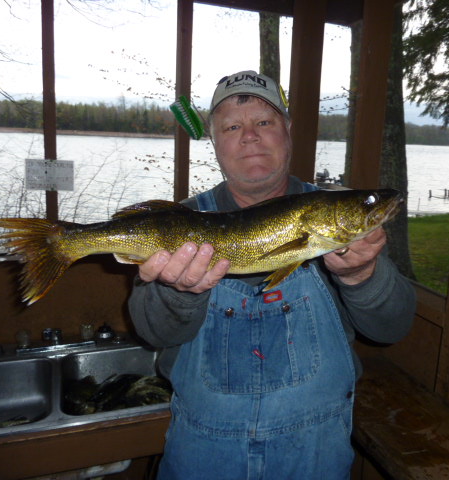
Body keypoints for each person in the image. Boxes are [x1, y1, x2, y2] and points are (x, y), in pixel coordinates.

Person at [128, 70, 416, 479]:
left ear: (288, 131)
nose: (249, 136)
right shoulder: (177, 224)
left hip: (316, 453)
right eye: (232, 126)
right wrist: (179, 293)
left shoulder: (335, 225)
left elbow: (393, 327)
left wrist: (362, 276)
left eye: (264, 122)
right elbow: (152, 333)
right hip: (203, 454)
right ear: (214, 142)